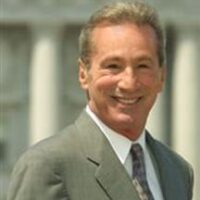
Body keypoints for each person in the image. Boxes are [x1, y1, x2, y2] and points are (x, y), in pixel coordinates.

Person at [7, 1, 193, 200]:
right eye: (113, 66)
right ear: (83, 74)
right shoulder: (47, 167)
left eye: (143, 65)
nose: (129, 83)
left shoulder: (177, 170)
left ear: (162, 76)